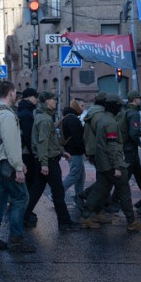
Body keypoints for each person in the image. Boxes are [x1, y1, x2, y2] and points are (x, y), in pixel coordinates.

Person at [82, 93, 141, 231]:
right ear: (115, 106)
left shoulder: (102, 119)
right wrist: (117, 166)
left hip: (102, 162)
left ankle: (86, 216)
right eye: (119, 106)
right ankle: (131, 221)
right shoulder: (111, 123)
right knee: (124, 190)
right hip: (111, 164)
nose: (121, 109)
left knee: (100, 189)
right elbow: (112, 146)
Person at [0, 81, 35, 252]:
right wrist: (18, 167)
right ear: (11, 92)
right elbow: (11, 144)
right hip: (7, 163)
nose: (16, 96)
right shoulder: (7, 115)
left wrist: (19, 163)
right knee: (21, 197)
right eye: (15, 92)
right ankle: (16, 240)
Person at [25, 91, 80, 231]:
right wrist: (44, 164)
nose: (55, 101)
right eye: (53, 99)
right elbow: (42, 143)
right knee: (58, 191)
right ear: (46, 101)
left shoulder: (43, 116)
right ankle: (64, 222)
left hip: (45, 159)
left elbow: (49, 141)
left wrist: (60, 152)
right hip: (48, 161)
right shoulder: (44, 119)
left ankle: (24, 215)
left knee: (37, 190)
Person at [17, 87, 39, 226]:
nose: (37, 100)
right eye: (35, 97)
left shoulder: (24, 110)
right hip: (27, 153)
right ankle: (25, 213)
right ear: (30, 97)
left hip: (24, 152)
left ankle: (25, 212)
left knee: (27, 183)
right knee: (29, 182)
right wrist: (34, 152)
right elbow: (28, 136)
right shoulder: (26, 114)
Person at [61, 98, 86, 216]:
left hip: (73, 151)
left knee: (80, 176)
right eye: (82, 106)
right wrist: (84, 150)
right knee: (74, 175)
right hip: (74, 152)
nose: (83, 108)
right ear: (76, 106)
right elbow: (78, 138)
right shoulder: (72, 119)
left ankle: (79, 199)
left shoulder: (70, 117)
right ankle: (57, 193)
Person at [121, 90, 141, 197]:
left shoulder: (126, 111)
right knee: (126, 175)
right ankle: (115, 199)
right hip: (131, 148)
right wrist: (140, 144)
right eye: (139, 98)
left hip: (128, 147)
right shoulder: (134, 113)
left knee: (139, 173)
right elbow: (133, 134)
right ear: (135, 100)